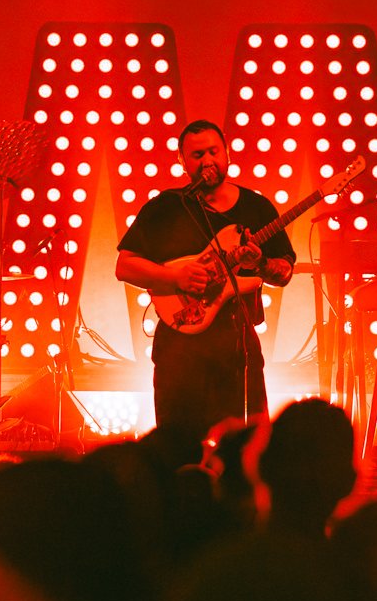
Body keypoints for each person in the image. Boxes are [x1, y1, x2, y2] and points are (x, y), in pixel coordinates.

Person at [115, 119, 296, 441]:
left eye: (214, 152)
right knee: (176, 445)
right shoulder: (166, 207)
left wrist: (261, 263)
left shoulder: (256, 207)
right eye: (197, 155)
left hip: (237, 341)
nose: (208, 161)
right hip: (178, 346)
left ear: (227, 154)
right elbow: (125, 266)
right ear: (182, 161)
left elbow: (283, 272)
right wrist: (175, 276)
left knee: (245, 445)